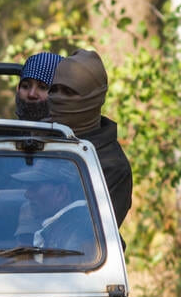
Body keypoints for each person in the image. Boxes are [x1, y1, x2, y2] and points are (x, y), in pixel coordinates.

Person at [49, 48, 132, 226]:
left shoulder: (112, 166)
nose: (57, 98)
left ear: (92, 98)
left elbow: (92, 233)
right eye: (54, 90)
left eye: (68, 92)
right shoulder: (38, 138)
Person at [11, 160, 95, 250]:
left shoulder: (78, 231)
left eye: (35, 187)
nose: (27, 194)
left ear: (60, 192)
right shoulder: (79, 222)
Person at [15, 52, 63, 122]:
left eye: (42, 87)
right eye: (25, 86)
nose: (31, 94)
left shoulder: (67, 132)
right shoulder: (5, 130)